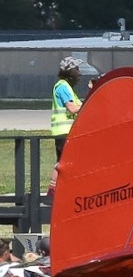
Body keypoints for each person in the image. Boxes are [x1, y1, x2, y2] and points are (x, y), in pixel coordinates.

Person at [49, 57, 84, 195]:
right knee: (68, 163)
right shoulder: (63, 87)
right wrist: (88, 104)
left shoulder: (66, 87)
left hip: (65, 132)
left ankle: (53, 192)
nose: (79, 73)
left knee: (61, 163)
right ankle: (62, 192)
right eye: (76, 69)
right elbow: (71, 108)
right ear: (70, 72)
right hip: (65, 132)